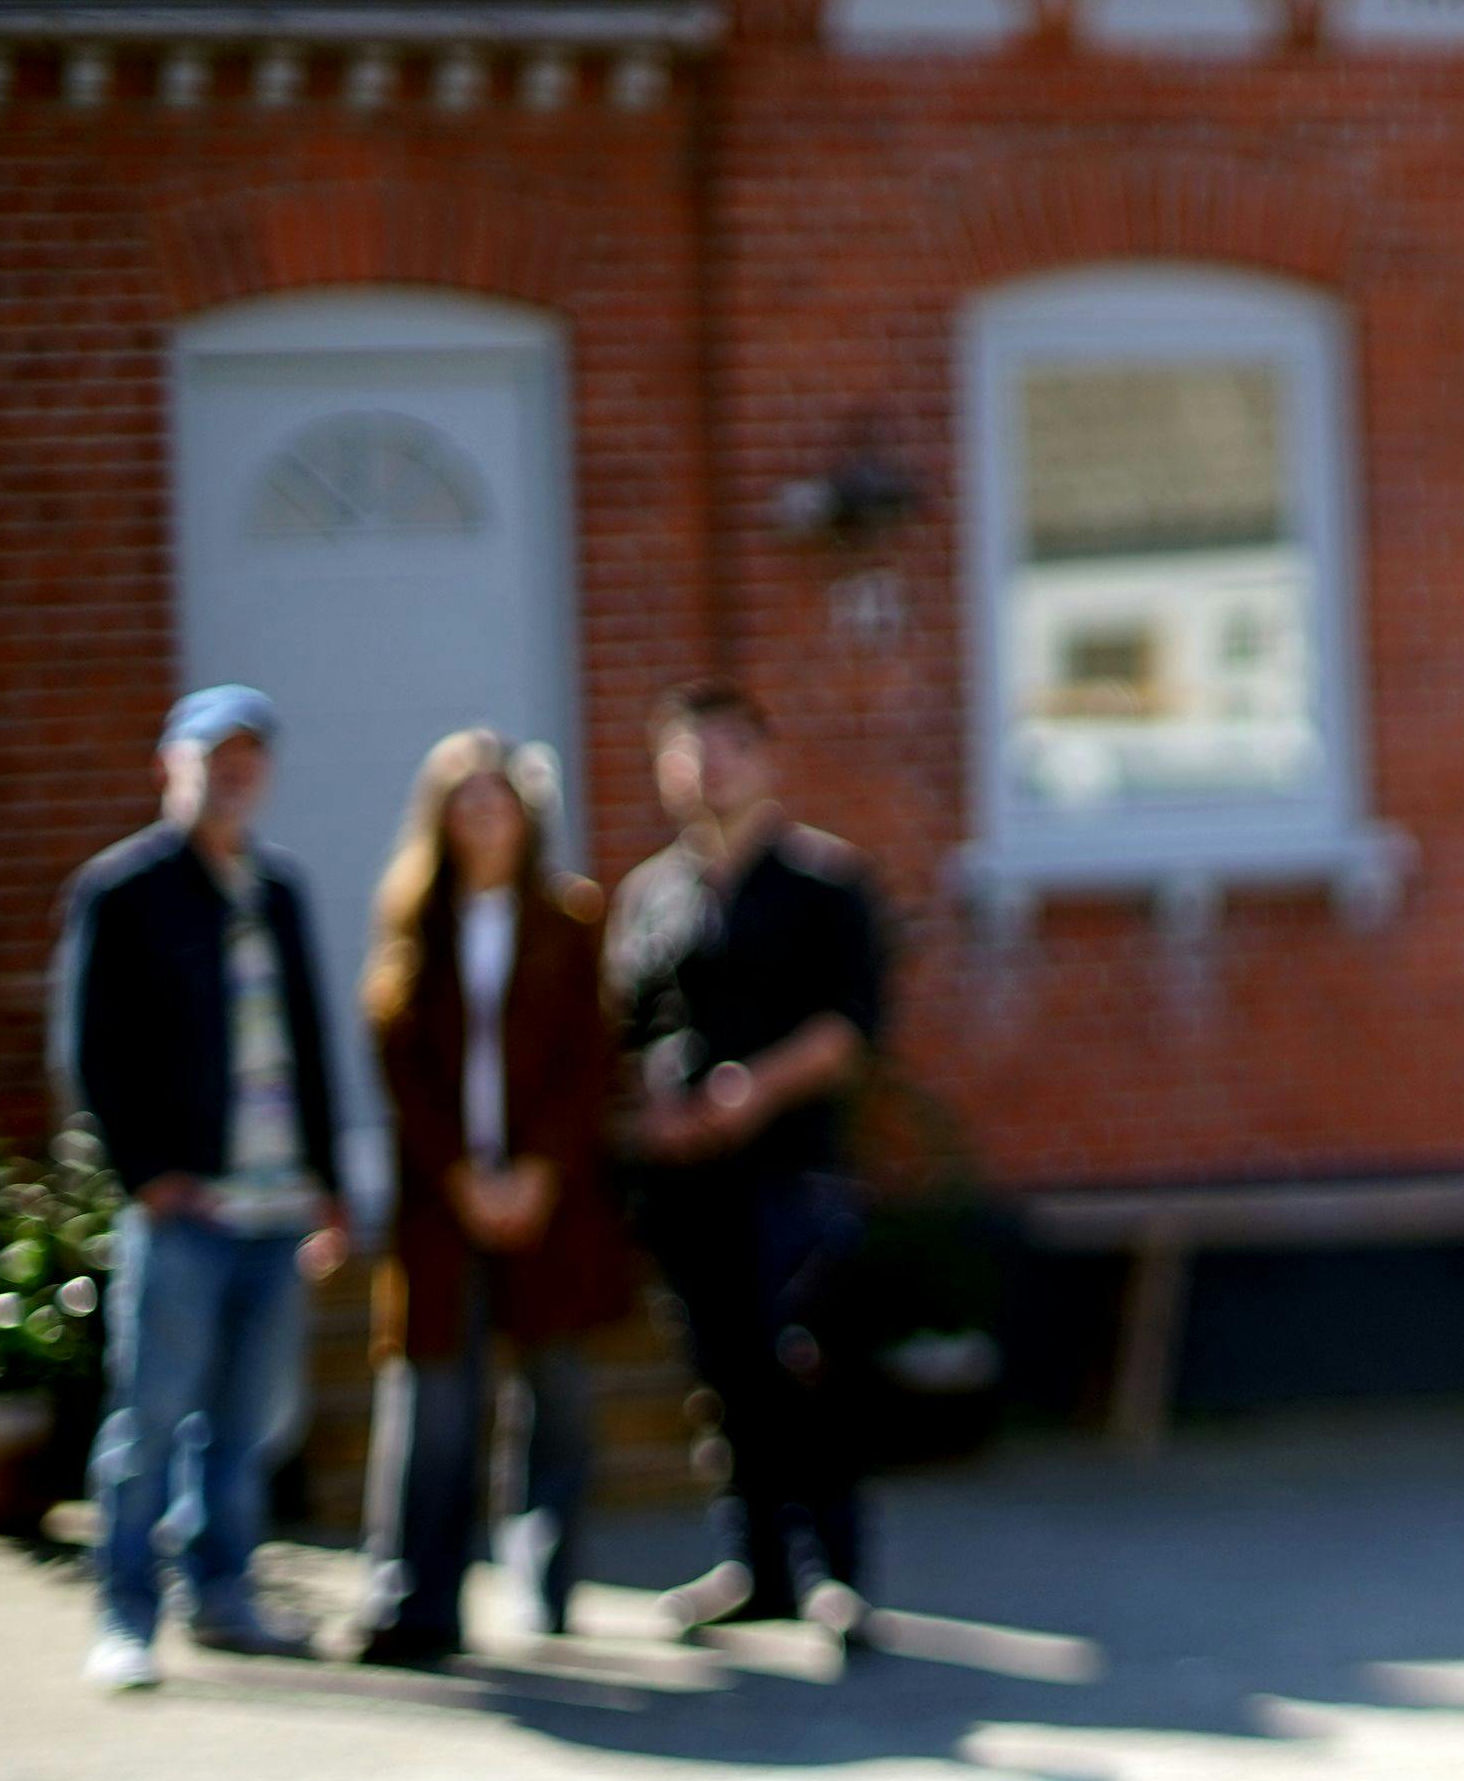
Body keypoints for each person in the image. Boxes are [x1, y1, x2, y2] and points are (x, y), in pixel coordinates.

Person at [53, 683, 352, 1691]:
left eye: (248, 756)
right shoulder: (124, 890)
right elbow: (87, 1049)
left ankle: (223, 1595)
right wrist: (144, 1177)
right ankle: (125, 1615)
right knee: (151, 1417)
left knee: (244, 1425)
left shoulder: (279, 889)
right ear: (168, 768)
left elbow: (312, 1047)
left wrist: (333, 1184)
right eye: (211, 756)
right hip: (187, 1211)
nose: (233, 773)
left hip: (277, 1212)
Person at [606, 681, 886, 1645]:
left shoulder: (824, 882)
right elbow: (629, 1027)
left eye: (728, 746)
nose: (708, 765)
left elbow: (848, 1030)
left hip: (790, 1170)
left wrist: (751, 1092)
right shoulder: (650, 895)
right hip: (687, 1179)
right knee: (720, 1370)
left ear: (766, 759)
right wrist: (657, 1109)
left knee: (804, 1364)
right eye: (689, 749)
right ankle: (754, 1565)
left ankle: (832, 1576)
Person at [351, 730, 635, 1666]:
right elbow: (399, 1066)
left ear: (526, 817)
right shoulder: (413, 925)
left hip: (549, 1200)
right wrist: (463, 1177)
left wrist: (540, 1172)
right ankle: (416, 1598)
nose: (484, 819)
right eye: (465, 804)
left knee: (557, 1393)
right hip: (443, 1204)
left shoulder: (571, 919)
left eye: (498, 802)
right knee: (434, 1401)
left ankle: (546, 1583)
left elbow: (589, 1063)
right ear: (441, 821)